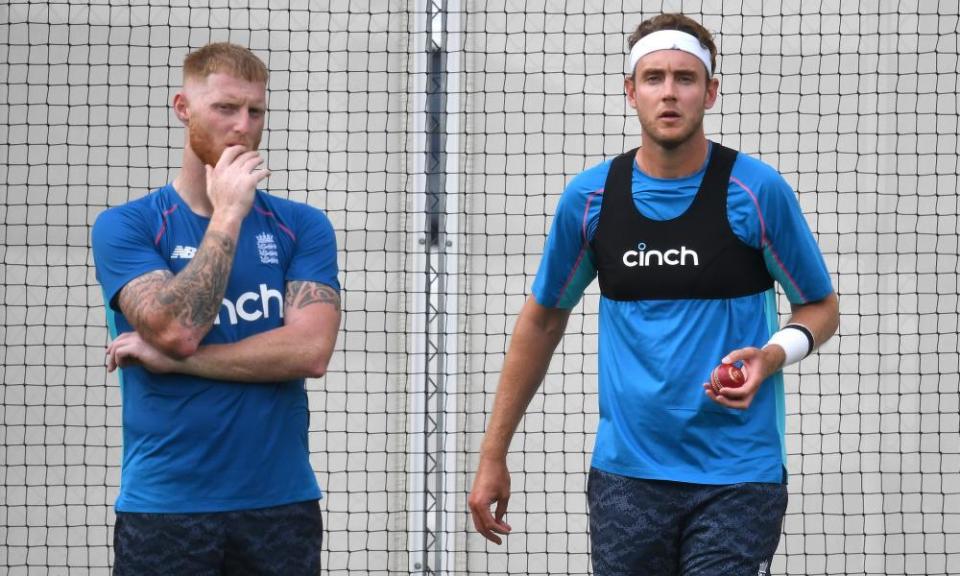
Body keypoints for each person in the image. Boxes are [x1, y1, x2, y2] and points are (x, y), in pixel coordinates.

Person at [468, 12, 839, 576]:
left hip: (738, 476)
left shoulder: (757, 191)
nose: (669, 93)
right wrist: (493, 454)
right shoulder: (590, 199)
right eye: (654, 78)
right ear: (630, 91)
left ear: (710, 92)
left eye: (686, 79)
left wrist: (771, 354)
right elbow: (543, 320)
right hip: (627, 479)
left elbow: (820, 306)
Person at [91, 43, 340, 575]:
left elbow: (311, 351)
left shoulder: (303, 226)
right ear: (183, 108)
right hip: (167, 507)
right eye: (225, 108)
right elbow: (177, 327)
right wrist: (227, 213)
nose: (242, 126)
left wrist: (179, 362)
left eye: (255, 111)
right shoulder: (127, 226)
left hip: (280, 504)